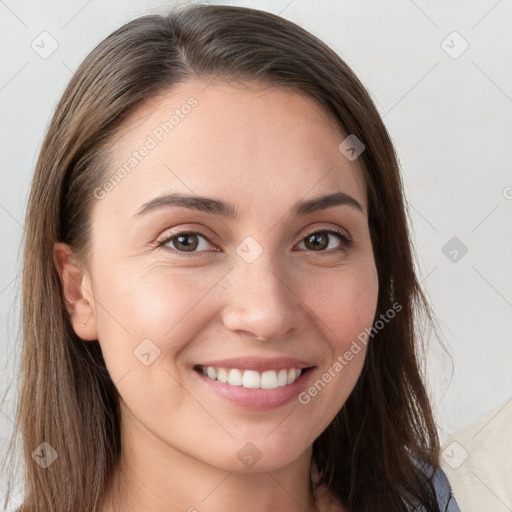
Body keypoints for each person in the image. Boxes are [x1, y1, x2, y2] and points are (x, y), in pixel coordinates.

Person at [1, 4, 461, 511]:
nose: (266, 313)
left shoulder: (427, 498)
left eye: (319, 240)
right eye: (186, 241)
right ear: (77, 290)